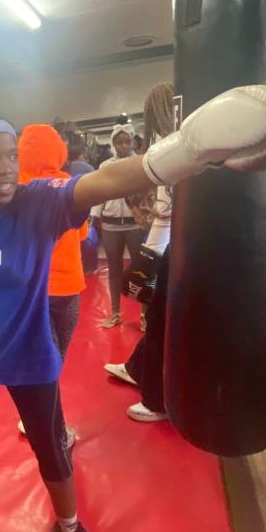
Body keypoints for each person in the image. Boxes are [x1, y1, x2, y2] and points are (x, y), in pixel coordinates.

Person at [0, 85, 266, 532]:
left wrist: (186, 151)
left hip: (28, 353)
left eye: (9, 155)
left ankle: (68, 529)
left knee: (51, 447)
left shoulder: (38, 203)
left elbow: (102, 183)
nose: (4, 167)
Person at [105, 83, 176, 422]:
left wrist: (148, 258)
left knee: (161, 323)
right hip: (188, 246)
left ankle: (157, 401)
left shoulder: (169, 148)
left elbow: (165, 210)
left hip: (172, 248)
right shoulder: (195, 139)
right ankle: (136, 367)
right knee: (162, 322)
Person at [14, 123, 87, 444]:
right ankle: (51, 431)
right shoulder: (71, 186)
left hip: (30, 291)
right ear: (59, 150)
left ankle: (38, 420)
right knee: (53, 362)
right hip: (68, 287)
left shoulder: (12, 190)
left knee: (41, 362)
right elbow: (82, 233)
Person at [91, 121, 145, 328]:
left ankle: (144, 315)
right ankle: (115, 313)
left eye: (127, 141)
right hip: (111, 225)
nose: (123, 146)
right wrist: (93, 217)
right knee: (114, 270)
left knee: (141, 270)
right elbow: (99, 194)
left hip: (134, 224)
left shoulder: (141, 163)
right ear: (113, 144)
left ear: (133, 142)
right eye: (119, 142)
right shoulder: (106, 167)